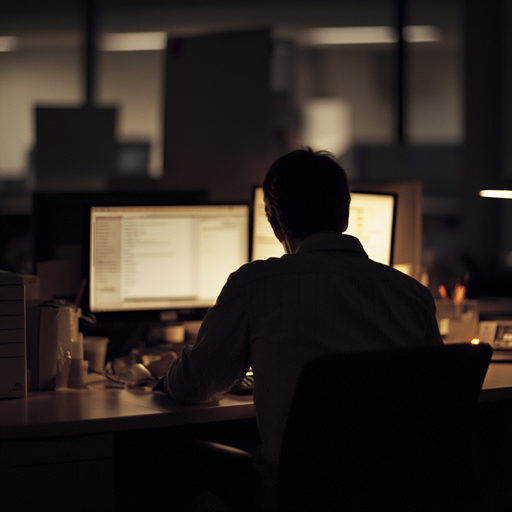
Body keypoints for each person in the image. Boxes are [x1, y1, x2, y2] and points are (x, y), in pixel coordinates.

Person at [156, 147, 443, 510]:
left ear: (274, 222)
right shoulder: (413, 295)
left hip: (295, 494)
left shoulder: (256, 283)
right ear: (345, 216)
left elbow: (194, 386)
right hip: (394, 492)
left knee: (163, 458)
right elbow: (433, 399)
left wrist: (163, 373)